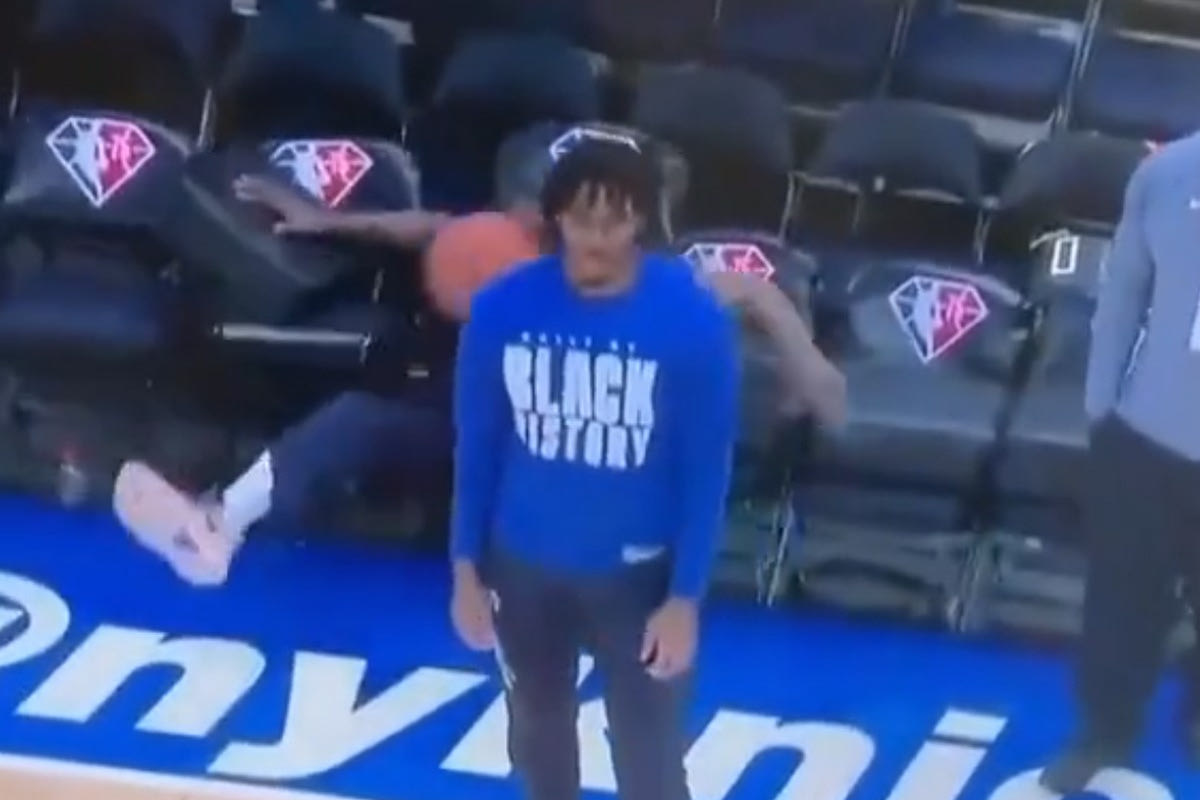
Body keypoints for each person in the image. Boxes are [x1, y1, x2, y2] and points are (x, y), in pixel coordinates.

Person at [447, 137, 740, 800]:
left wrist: (685, 599)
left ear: (643, 221)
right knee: (538, 740)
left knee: (650, 759)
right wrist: (465, 568)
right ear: (557, 217)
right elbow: (478, 446)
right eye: (584, 219)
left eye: (617, 220)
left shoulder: (692, 321)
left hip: (639, 580)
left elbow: (706, 472)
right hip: (523, 570)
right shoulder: (501, 310)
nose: (599, 238)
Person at [112, 177, 540, 586]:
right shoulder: (501, 238)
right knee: (354, 418)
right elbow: (436, 227)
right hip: (460, 405)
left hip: (528, 434)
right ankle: (220, 527)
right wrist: (325, 220)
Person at [1040, 137, 1200, 793]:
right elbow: (1123, 296)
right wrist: (1101, 407)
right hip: (1146, 435)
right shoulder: (1167, 174)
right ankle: (1103, 732)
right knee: (1121, 599)